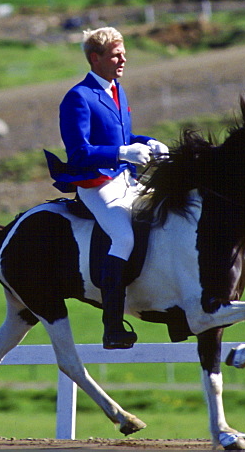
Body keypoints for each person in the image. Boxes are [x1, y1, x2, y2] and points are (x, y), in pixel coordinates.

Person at [44, 27, 168, 349]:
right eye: (116, 54)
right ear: (95, 58)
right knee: (124, 236)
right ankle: (113, 326)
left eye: (123, 53)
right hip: (95, 184)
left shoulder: (117, 90)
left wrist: (147, 142)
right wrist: (122, 153)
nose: (123, 59)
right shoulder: (77, 98)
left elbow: (122, 139)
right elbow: (79, 152)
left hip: (125, 179)